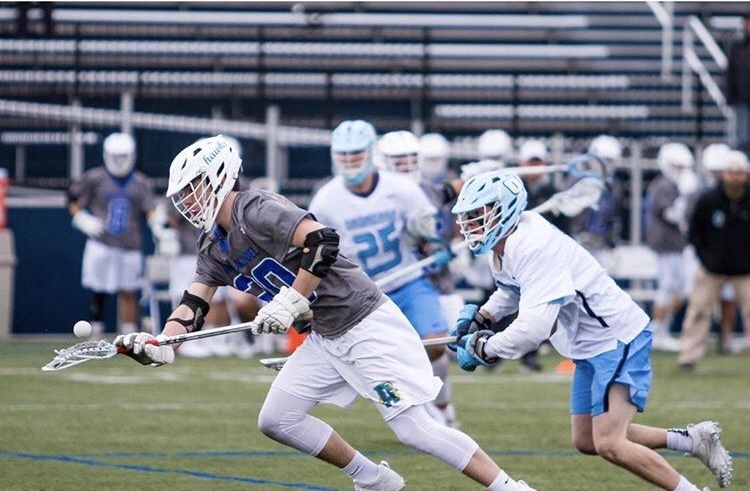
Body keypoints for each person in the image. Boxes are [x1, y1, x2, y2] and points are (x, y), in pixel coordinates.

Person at [113, 134, 540, 491]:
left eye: (195, 187)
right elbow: (193, 304)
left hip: (363, 321)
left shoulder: (255, 208)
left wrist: (291, 299)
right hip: (326, 335)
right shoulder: (212, 244)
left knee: (413, 429)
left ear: (220, 176)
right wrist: (161, 342)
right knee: (277, 419)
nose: (189, 200)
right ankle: (373, 479)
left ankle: (510, 487)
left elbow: (322, 242)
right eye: (184, 193)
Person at [448, 170, 733, 491]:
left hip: (617, 336)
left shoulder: (533, 246)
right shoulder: (505, 243)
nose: (469, 224)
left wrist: (486, 348)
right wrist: (482, 317)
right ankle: (692, 440)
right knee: (586, 438)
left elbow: (533, 328)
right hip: (588, 344)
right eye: (467, 217)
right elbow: (511, 290)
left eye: (477, 215)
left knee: (610, 442)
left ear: (505, 208)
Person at [310, 123, 459, 429]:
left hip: (408, 281)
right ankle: (419, 413)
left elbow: (425, 233)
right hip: (364, 292)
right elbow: (317, 252)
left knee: (435, 343)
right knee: (386, 363)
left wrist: (434, 246)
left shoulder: (403, 189)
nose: (350, 161)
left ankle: (442, 404)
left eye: (356, 154)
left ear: (370, 154)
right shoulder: (325, 201)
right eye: (344, 155)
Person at [68, 132, 159, 337]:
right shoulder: (95, 177)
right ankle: (96, 332)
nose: (119, 162)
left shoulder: (140, 182)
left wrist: (156, 224)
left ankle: (128, 334)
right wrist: (82, 218)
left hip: (129, 245)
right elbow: (72, 197)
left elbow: (150, 210)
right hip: (101, 242)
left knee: (128, 290)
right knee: (98, 290)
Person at [678, 149, 750, 372]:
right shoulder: (709, 198)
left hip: (746, 268)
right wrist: (706, 257)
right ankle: (689, 356)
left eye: (739, 173)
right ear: (723, 174)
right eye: (731, 172)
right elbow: (694, 231)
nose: (735, 177)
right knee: (698, 311)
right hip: (712, 267)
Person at [644, 142, 699, 352]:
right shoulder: (664, 185)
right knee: (667, 287)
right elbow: (670, 214)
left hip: (676, 245)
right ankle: (657, 330)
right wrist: (684, 198)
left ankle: (661, 329)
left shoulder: (672, 185)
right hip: (666, 244)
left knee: (679, 288)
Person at [726, 12, 750, 153]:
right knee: (742, 135)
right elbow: (730, 73)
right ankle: (743, 161)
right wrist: (730, 96)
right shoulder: (737, 47)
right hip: (741, 96)